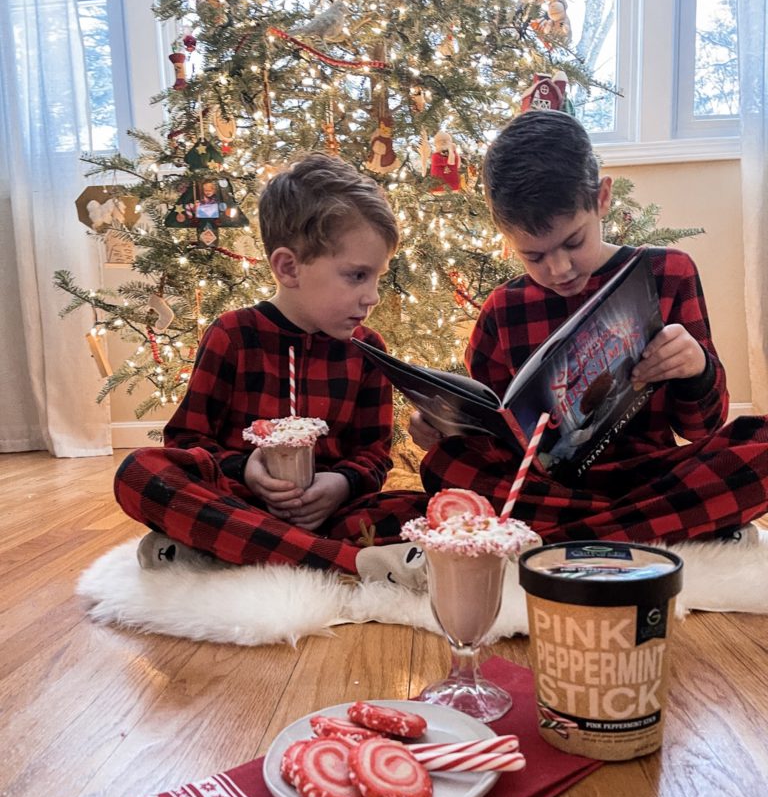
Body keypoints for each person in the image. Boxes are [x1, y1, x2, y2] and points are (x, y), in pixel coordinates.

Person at [413, 110, 768, 545]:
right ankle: (662, 528)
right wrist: (441, 427)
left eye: (573, 242)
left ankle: (560, 537)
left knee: (761, 446)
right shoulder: (502, 309)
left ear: (601, 199)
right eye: (534, 257)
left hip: (649, 474)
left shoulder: (667, 272)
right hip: (550, 490)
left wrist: (697, 369)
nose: (559, 269)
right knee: (443, 465)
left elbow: (702, 429)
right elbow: (490, 435)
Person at [115, 153, 428, 587]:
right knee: (140, 473)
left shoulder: (367, 349)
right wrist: (246, 471)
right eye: (357, 276)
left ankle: (225, 551)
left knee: (431, 506)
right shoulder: (233, 336)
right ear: (288, 267)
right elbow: (186, 441)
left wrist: (339, 484)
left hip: (331, 514)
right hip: (242, 502)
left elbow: (374, 456)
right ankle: (338, 564)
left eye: (377, 277)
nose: (372, 296)